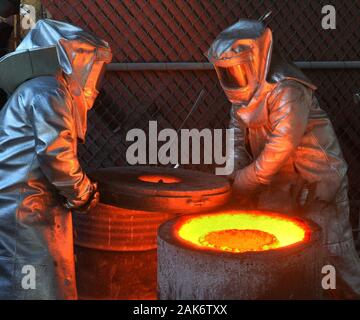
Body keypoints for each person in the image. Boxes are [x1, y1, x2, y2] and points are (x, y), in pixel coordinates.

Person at [207, 18, 360, 299]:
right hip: (279, 184)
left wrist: (241, 181)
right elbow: (236, 136)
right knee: (283, 254)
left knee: (333, 252)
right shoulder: (243, 96)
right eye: (227, 72)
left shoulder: (288, 89)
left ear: (258, 59)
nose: (234, 78)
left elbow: (281, 145)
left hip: (316, 183)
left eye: (239, 69)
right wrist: (230, 171)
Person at [0, 19, 112, 299]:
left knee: (35, 283)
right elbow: (57, 155)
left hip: (26, 204)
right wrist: (83, 192)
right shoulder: (47, 91)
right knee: (30, 286)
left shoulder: (40, 88)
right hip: (25, 210)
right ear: (71, 56)